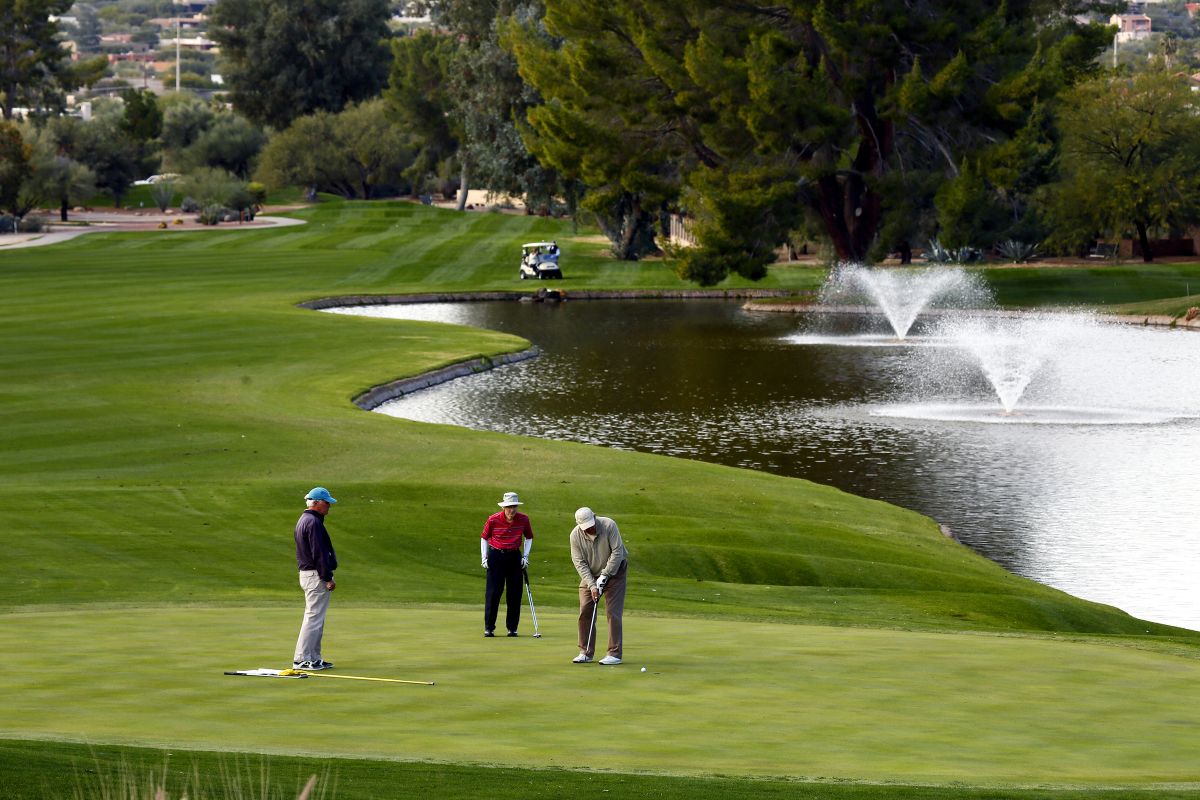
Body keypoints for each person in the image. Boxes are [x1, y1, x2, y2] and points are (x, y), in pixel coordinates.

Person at [569, 506, 629, 665]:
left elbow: (618, 552)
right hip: (591, 574)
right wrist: (592, 585)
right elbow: (579, 563)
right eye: (585, 527)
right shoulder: (575, 535)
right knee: (585, 610)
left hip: (615, 572)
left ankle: (614, 654)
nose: (590, 529)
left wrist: (605, 575)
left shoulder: (609, 525)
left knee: (612, 612)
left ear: (594, 517)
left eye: (591, 524)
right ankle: (585, 652)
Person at [293, 487, 338, 670]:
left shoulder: (308, 520)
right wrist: (327, 577)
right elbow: (318, 553)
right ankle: (302, 659)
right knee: (313, 617)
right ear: (316, 503)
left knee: (316, 618)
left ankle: (314, 657)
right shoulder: (312, 522)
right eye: (326, 503)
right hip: (315, 575)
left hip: (311, 574)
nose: (329, 506)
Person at [480, 491, 534, 637]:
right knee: (493, 593)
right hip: (496, 555)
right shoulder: (493, 519)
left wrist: (525, 556)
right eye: (509, 507)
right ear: (504, 507)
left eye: (514, 506)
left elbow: (529, 537)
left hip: (514, 557)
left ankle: (512, 628)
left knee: (514, 593)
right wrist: (484, 558)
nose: (512, 510)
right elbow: (484, 538)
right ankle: (489, 627)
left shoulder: (523, 519)